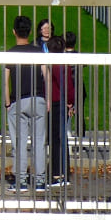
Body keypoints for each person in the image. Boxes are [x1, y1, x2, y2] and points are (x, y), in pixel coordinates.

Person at [4, 14, 50, 192]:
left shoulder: (11, 53)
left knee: (19, 142)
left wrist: (8, 101)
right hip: (38, 98)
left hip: (18, 99)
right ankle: (39, 180)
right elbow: (45, 75)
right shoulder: (38, 52)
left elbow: (6, 80)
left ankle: (21, 180)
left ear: (14, 31)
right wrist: (46, 99)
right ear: (30, 32)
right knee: (39, 141)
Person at [46, 35, 75, 186]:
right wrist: (71, 102)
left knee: (56, 139)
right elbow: (69, 85)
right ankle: (63, 172)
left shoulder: (53, 64)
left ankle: (58, 174)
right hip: (62, 102)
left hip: (55, 102)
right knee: (60, 138)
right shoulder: (64, 64)